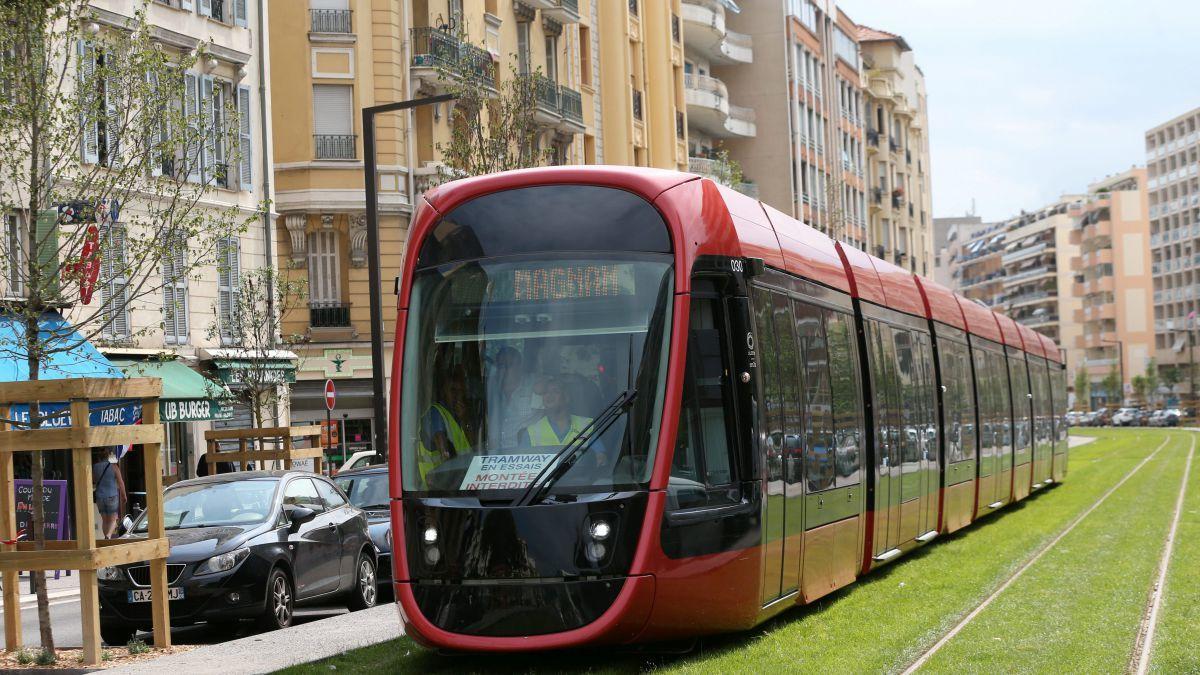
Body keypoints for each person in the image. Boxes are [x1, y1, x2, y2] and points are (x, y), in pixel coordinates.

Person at [417, 367, 472, 485]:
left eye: (460, 391)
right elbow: (445, 454)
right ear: (443, 391)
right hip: (439, 488)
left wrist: (464, 419)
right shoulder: (435, 413)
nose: (457, 395)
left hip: (460, 484)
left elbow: (471, 448)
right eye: (452, 390)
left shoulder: (457, 415)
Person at [487, 347, 540, 451]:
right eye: (501, 366)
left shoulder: (534, 384)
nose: (505, 369)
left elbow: (555, 386)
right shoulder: (491, 390)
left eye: (509, 364)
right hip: (495, 455)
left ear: (520, 366)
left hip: (527, 454)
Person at [92, 449, 126, 539]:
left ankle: (106, 539)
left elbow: (94, 481)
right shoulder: (114, 466)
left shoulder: (95, 467)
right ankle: (108, 535)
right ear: (108, 456)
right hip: (112, 496)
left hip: (100, 497)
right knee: (114, 518)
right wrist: (124, 495)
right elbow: (121, 482)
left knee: (105, 520)